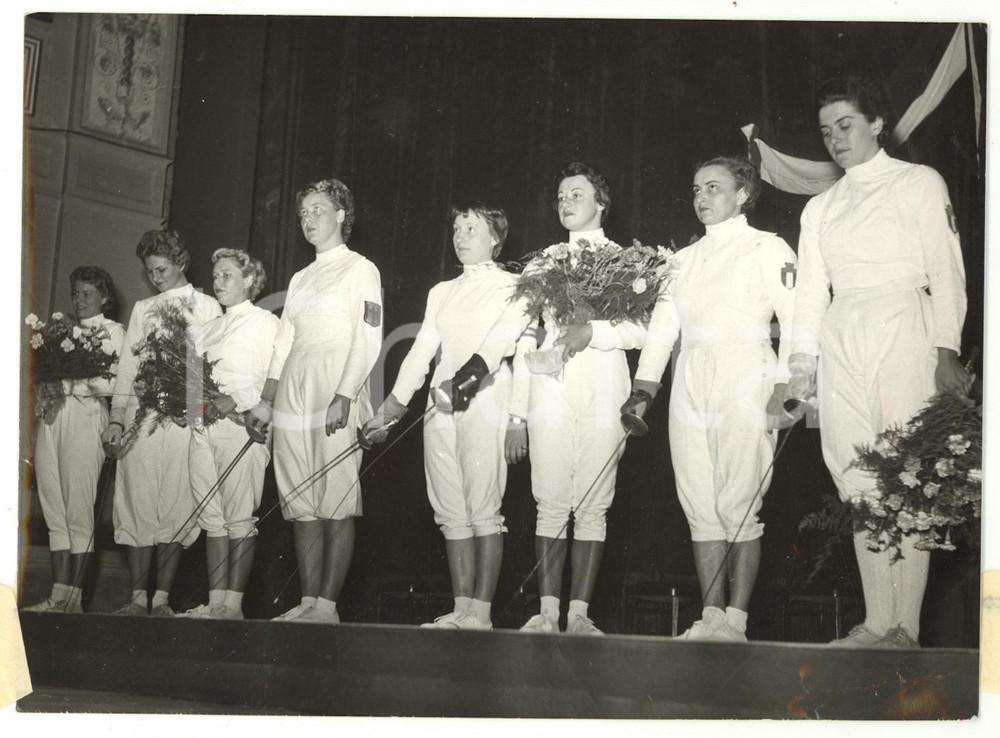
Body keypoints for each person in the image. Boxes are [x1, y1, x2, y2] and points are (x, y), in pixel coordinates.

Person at [785, 75, 970, 648]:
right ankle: (874, 621)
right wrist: (801, 364)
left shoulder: (918, 182)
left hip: (904, 325)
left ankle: (904, 627)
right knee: (858, 474)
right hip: (844, 332)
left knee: (905, 472)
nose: (835, 139)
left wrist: (946, 353)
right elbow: (811, 291)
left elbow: (947, 271)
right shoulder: (820, 208)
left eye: (845, 125)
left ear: (876, 124)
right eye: (826, 132)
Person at [444, 162, 645, 635]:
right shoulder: (544, 261)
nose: (566, 202)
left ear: (601, 202)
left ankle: (579, 615)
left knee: (594, 502)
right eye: (560, 196)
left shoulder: (627, 261)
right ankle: (548, 612)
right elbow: (515, 329)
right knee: (550, 502)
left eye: (577, 193)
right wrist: (478, 368)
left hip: (603, 387)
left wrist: (592, 331)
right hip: (549, 390)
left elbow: (642, 330)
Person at [620, 156, 796, 641]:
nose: (701, 197)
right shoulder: (683, 259)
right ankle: (711, 616)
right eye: (696, 189)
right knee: (700, 502)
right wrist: (642, 390)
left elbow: (798, 319)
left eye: (713, 188)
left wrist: (788, 385)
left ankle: (736, 621)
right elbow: (660, 333)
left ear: (742, 194)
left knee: (740, 501)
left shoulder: (768, 247)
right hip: (691, 375)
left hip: (747, 370)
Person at [362, 203, 530, 630]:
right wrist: (392, 408)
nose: (460, 235)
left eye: (471, 227)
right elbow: (421, 351)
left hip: (486, 395)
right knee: (451, 506)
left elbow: (501, 342)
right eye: (456, 227)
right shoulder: (441, 291)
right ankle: (461, 609)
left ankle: (483, 612)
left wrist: (468, 382)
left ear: (495, 236)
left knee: (483, 505)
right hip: (439, 401)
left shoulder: (515, 285)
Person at [246, 178, 382, 625]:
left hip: (336, 383)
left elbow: (368, 338)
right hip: (294, 387)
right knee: (300, 497)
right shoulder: (301, 277)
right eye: (303, 213)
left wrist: (346, 394)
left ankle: (327, 605)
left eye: (318, 210)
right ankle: (307, 602)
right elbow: (283, 343)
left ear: (342, 214)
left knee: (336, 495)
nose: (308, 220)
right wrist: (267, 402)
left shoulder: (361, 268)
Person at [101, 230, 222, 616]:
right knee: (137, 501)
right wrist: (118, 419)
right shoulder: (142, 309)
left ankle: (162, 600)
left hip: (184, 419)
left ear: (181, 262)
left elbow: (213, 366)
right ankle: (137, 597)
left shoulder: (207, 306)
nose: (156, 277)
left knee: (175, 503)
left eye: (162, 268)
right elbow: (127, 371)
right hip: (144, 417)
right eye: (150, 271)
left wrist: (199, 404)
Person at [179, 249, 279, 620]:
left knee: (238, 516)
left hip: (241, 427)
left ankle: (233, 605)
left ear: (249, 280)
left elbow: (275, 376)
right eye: (216, 275)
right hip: (204, 429)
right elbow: (192, 381)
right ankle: (215, 601)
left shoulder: (265, 322)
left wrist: (236, 400)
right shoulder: (208, 328)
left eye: (228, 275)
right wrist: (195, 408)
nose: (219, 282)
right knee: (212, 517)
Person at [25, 267, 125, 613]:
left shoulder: (114, 332)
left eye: (87, 294)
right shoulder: (61, 331)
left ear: (104, 298)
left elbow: (116, 384)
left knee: (78, 509)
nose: (79, 300)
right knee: (54, 506)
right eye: (76, 294)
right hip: (54, 416)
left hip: (86, 416)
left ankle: (76, 599)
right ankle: (58, 596)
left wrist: (78, 380)